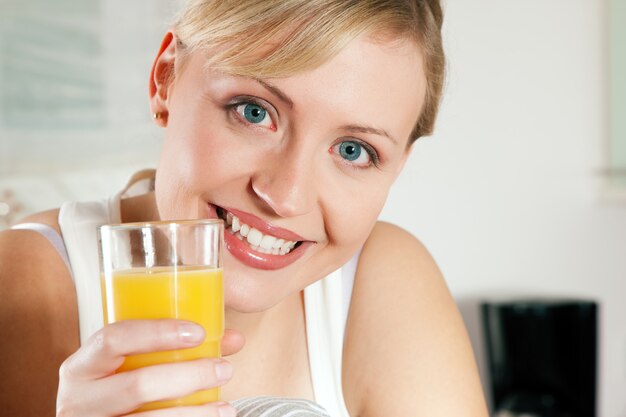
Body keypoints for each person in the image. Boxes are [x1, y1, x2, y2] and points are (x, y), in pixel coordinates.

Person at [0, 1, 489, 416]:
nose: (286, 196)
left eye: (353, 150)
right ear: (165, 80)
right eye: (253, 111)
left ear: (399, 165)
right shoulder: (22, 283)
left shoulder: (385, 280)